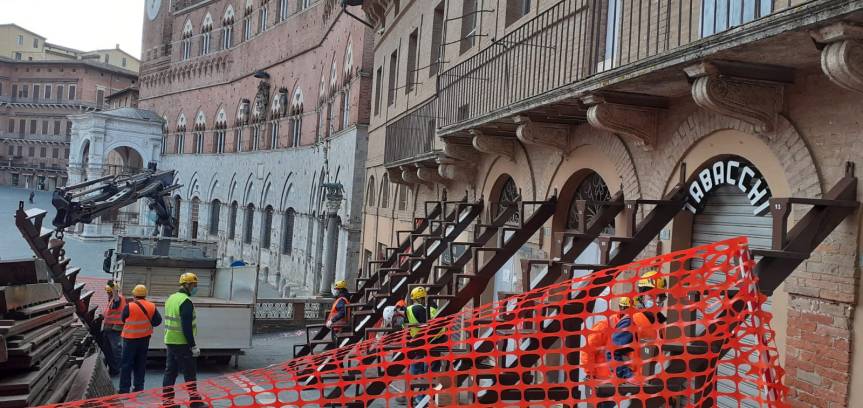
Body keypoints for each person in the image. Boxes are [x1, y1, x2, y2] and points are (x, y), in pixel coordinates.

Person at [162, 272, 205, 407]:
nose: (195, 288)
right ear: (187, 285)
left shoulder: (171, 298)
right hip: (182, 343)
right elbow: (186, 326)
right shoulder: (185, 301)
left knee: (170, 372)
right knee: (190, 373)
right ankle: (195, 403)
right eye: (193, 285)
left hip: (170, 340)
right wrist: (193, 346)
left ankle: (168, 402)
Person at [119, 284, 162, 393]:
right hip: (144, 339)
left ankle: (124, 389)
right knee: (140, 364)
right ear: (145, 295)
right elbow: (158, 321)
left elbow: (123, 319)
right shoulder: (151, 306)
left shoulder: (129, 306)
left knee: (126, 364)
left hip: (129, 340)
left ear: (134, 295)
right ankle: (138, 388)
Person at [103, 281, 126, 376]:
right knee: (109, 349)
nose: (107, 294)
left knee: (115, 350)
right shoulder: (112, 300)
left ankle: (116, 369)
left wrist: (113, 288)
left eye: (109, 292)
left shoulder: (117, 299)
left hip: (114, 328)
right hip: (109, 328)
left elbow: (116, 298)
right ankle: (113, 368)